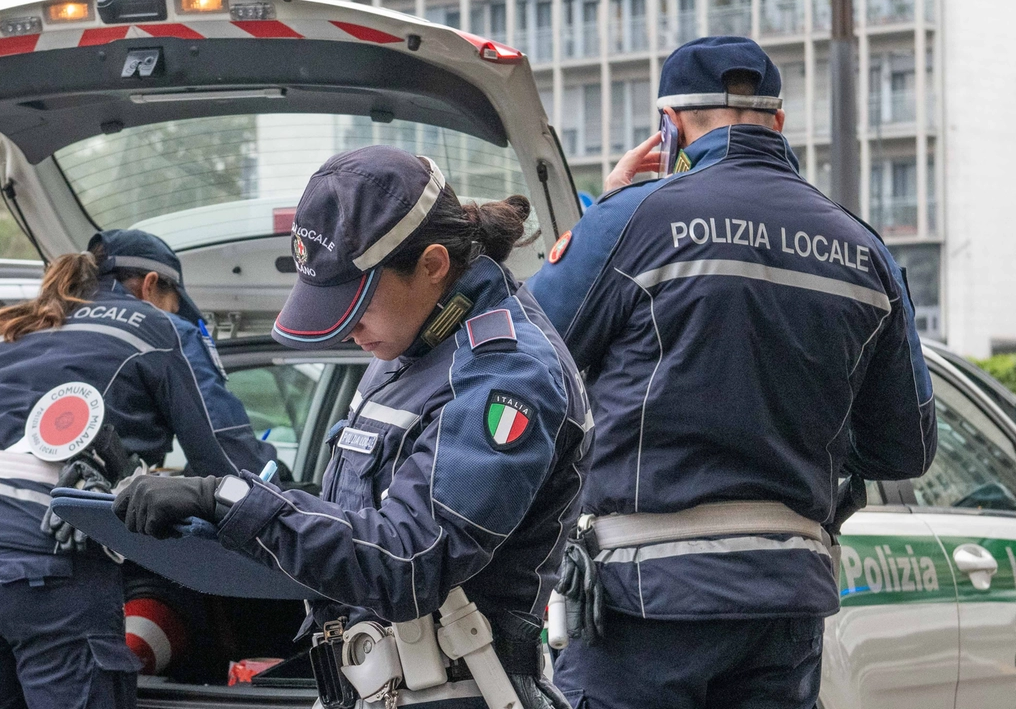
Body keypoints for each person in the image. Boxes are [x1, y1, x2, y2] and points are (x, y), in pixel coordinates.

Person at [525, 36, 937, 709]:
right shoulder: (865, 251)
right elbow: (903, 448)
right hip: (787, 601)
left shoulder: (633, 220)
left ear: (671, 124)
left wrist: (611, 206)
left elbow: (528, 366)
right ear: (778, 122)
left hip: (644, 600)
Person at [113, 145, 592, 709]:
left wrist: (228, 499)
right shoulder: (410, 344)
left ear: (433, 266)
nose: (349, 332)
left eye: (357, 306)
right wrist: (217, 521)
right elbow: (352, 526)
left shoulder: (504, 371)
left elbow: (409, 560)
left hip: (457, 690)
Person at [0, 229, 278, 709]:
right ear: (149, 286)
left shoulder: (5, 328)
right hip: (41, 552)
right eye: (171, 300)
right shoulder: (158, 327)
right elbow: (223, 462)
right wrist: (279, 486)